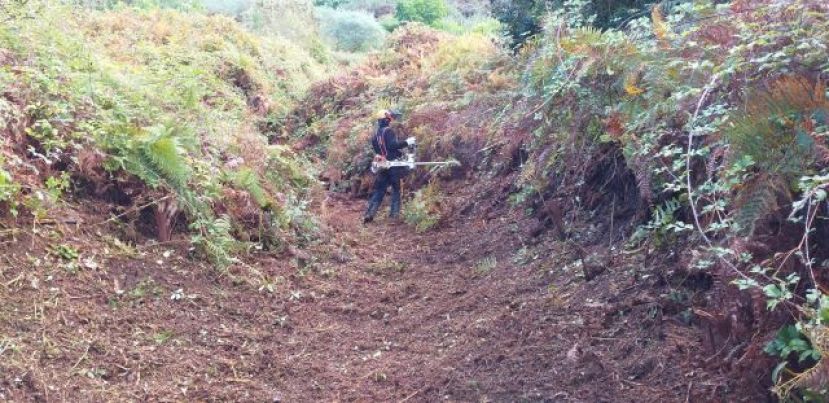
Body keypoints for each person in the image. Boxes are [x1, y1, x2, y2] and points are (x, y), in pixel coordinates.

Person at [363, 109, 415, 223]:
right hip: (393, 165)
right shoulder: (388, 131)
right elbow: (393, 145)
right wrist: (407, 142)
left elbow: (380, 150)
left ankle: (369, 213)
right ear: (387, 119)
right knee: (396, 189)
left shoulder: (375, 135)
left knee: (379, 190)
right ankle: (394, 215)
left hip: (382, 164)